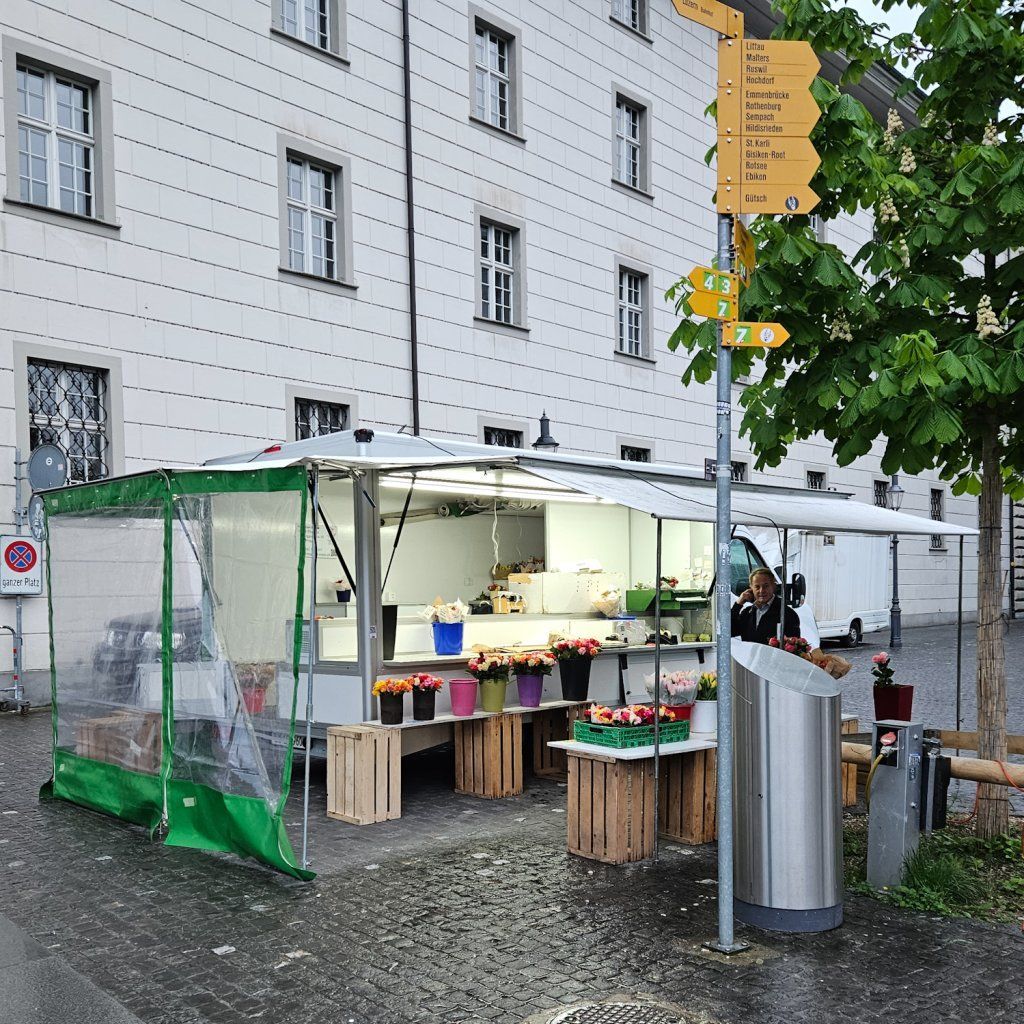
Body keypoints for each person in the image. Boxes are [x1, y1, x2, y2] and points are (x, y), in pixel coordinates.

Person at [731, 567, 802, 645]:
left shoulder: (787, 614)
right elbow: (729, 631)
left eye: (766, 586)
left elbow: (794, 646)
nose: (761, 591)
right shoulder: (747, 613)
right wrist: (738, 604)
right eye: (757, 587)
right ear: (751, 588)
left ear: (773, 586)